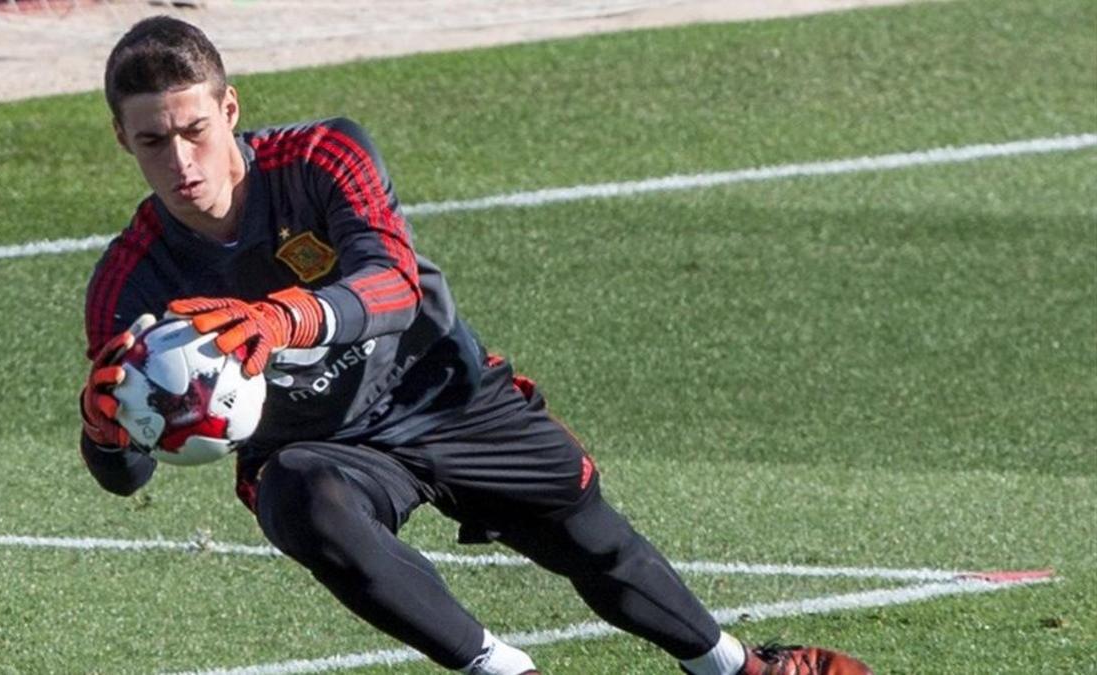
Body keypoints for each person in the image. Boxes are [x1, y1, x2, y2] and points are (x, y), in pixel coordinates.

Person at [79, 16, 873, 675]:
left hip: (441, 390)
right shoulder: (130, 284)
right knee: (295, 495)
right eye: (153, 141)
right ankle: (501, 669)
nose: (182, 162)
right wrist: (105, 432)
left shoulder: (324, 156)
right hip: (324, 448)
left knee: (588, 535)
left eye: (195, 129)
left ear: (229, 108)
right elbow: (131, 471)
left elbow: (390, 282)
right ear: (122, 138)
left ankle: (737, 667)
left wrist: (288, 318)